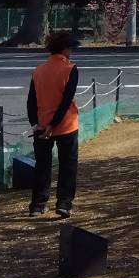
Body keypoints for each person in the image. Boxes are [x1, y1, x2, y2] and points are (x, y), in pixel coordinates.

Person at [27, 31, 81, 218]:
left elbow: (31, 101)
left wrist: (36, 124)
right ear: (65, 49)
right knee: (68, 165)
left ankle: (37, 205)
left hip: (41, 125)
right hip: (66, 124)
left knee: (42, 165)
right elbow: (66, 101)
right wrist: (55, 123)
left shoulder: (39, 70)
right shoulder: (70, 69)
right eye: (70, 48)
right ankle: (64, 203)